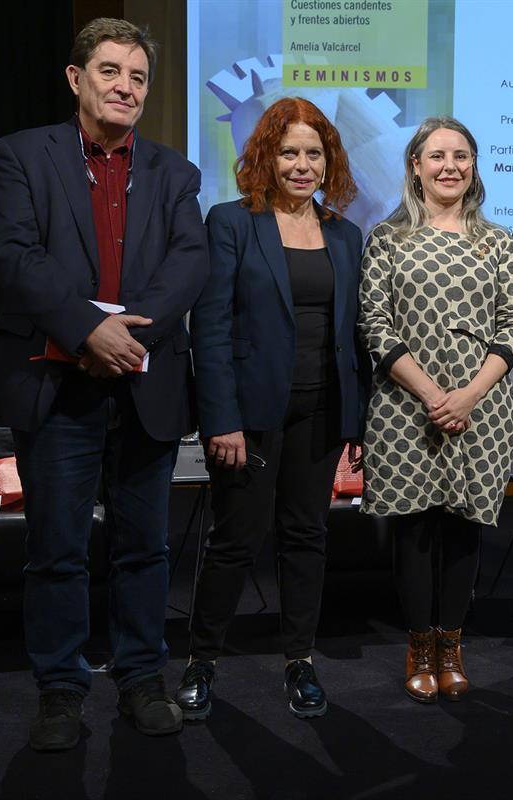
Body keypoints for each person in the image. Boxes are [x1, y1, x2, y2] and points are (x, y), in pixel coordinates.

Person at [0, 18, 209, 751]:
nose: (126, 87)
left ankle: (142, 678)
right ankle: (60, 691)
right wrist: (88, 330)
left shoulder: (175, 172)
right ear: (77, 79)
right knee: (58, 548)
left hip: (145, 381)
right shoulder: (23, 155)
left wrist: (127, 339)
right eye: (111, 71)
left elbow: (188, 263)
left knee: (146, 548)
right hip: (58, 385)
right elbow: (17, 258)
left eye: (138, 77)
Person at [176, 98, 368, 721]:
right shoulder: (232, 222)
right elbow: (210, 329)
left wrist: (355, 420)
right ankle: (202, 661)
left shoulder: (344, 233)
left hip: (320, 411)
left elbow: (354, 335)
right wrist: (221, 419)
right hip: (250, 416)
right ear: (266, 156)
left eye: (315, 153)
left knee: (306, 537)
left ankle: (300, 662)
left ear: (329, 162)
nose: (303, 164)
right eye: (290, 152)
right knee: (235, 540)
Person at [358, 117, 513, 703]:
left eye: (461, 155)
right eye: (437, 156)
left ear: (474, 166)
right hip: (406, 410)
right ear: (415, 166)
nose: (450, 165)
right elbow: (374, 325)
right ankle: (419, 647)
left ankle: (452, 646)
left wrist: (470, 394)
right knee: (415, 534)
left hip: (481, 410)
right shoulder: (387, 239)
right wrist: (432, 395)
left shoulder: (497, 242)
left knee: (463, 533)